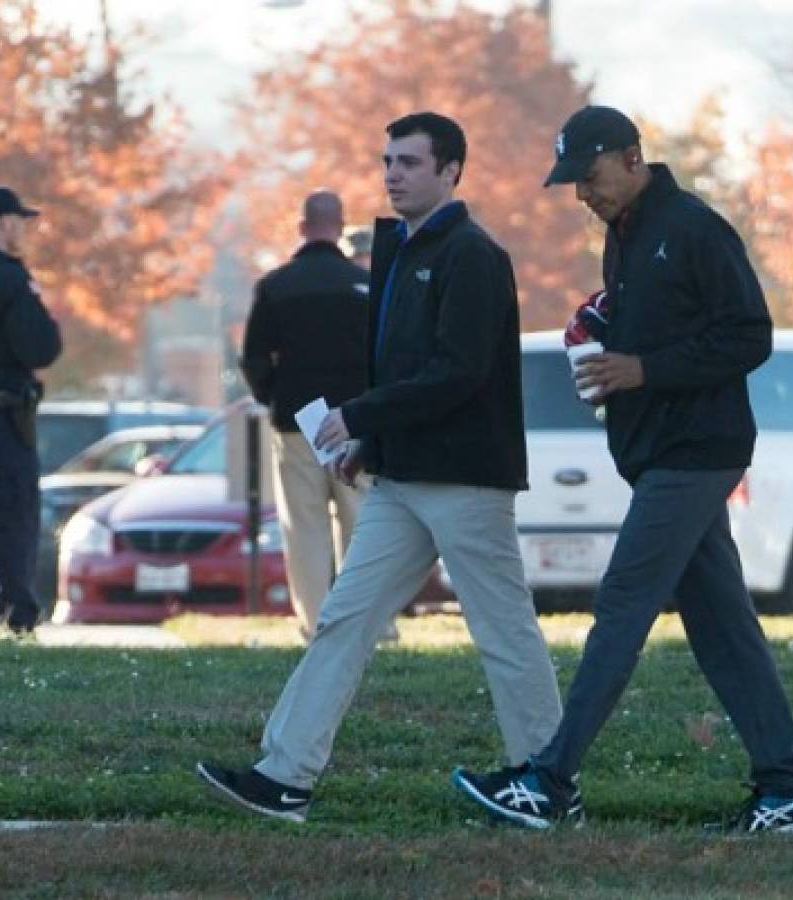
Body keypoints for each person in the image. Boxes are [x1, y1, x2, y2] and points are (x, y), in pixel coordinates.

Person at [452, 106, 793, 834]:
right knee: (723, 628)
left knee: (621, 605)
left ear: (630, 159)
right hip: (660, 454)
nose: (580, 195)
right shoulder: (623, 238)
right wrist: (601, 333)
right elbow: (661, 331)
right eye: (570, 184)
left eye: (587, 177)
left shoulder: (692, 228)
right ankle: (787, 791)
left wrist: (642, 369)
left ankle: (548, 781)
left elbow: (748, 335)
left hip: (696, 454)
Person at [197, 112, 563, 823]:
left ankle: (547, 780)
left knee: (502, 632)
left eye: (410, 163)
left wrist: (361, 416)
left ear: (451, 170)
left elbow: (458, 372)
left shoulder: (471, 255)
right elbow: (404, 368)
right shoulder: (400, 252)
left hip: (464, 480)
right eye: (387, 160)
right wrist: (372, 445)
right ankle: (284, 776)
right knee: (342, 619)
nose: (392, 173)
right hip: (400, 481)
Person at [240, 190, 372, 640]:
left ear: (301, 227)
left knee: (305, 525)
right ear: (340, 226)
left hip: (298, 420)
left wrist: (274, 396)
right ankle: (362, 620)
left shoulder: (276, 286)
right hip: (355, 420)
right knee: (359, 519)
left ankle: (316, 622)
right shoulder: (364, 286)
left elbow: (254, 355)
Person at [0, 186, 62, 634]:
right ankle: (18, 615)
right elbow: (40, 346)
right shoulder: (9, 279)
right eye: (19, 221)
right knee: (13, 517)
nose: (22, 229)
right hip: (3, 420)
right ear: (4, 223)